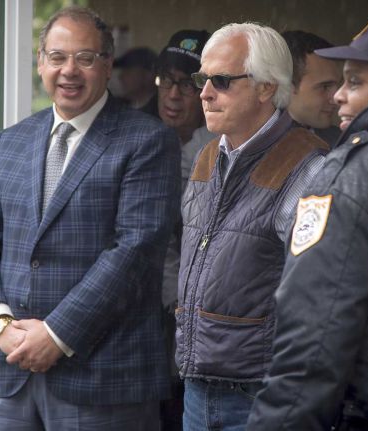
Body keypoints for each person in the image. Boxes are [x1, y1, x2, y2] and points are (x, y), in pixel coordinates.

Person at [0, 6, 180, 430]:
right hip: (11, 371)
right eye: (57, 57)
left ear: (107, 64)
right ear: (40, 62)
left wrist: (57, 335)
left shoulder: (148, 141)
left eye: (85, 58)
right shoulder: (13, 141)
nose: (69, 71)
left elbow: (134, 251)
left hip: (102, 378)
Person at [247, 11, 368, 431]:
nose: (338, 96)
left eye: (354, 82)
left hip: (362, 408)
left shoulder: (354, 168)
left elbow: (316, 324)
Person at [176, 22, 329, 430]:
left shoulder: (308, 166)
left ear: (266, 88)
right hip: (196, 388)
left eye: (221, 81)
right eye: (201, 79)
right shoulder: (208, 155)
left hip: (260, 396)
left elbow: (317, 297)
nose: (204, 93)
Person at [154, 28, 215, 431]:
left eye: (186, 85)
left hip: (197, 311)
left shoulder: (219, 150)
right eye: (167, 80)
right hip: (144, 308)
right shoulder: (133, 135)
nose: (174, 95)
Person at [282, 30, 342, 146]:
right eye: (325, 87)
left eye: (338, 85)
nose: (336, 98)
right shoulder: (249, 144)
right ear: (287, 85)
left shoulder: (341, 142)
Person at [113, 46, 158, 117]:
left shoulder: (162, 113)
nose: (121, 76)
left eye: (128, 71)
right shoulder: (117, 107)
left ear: (147, 76)